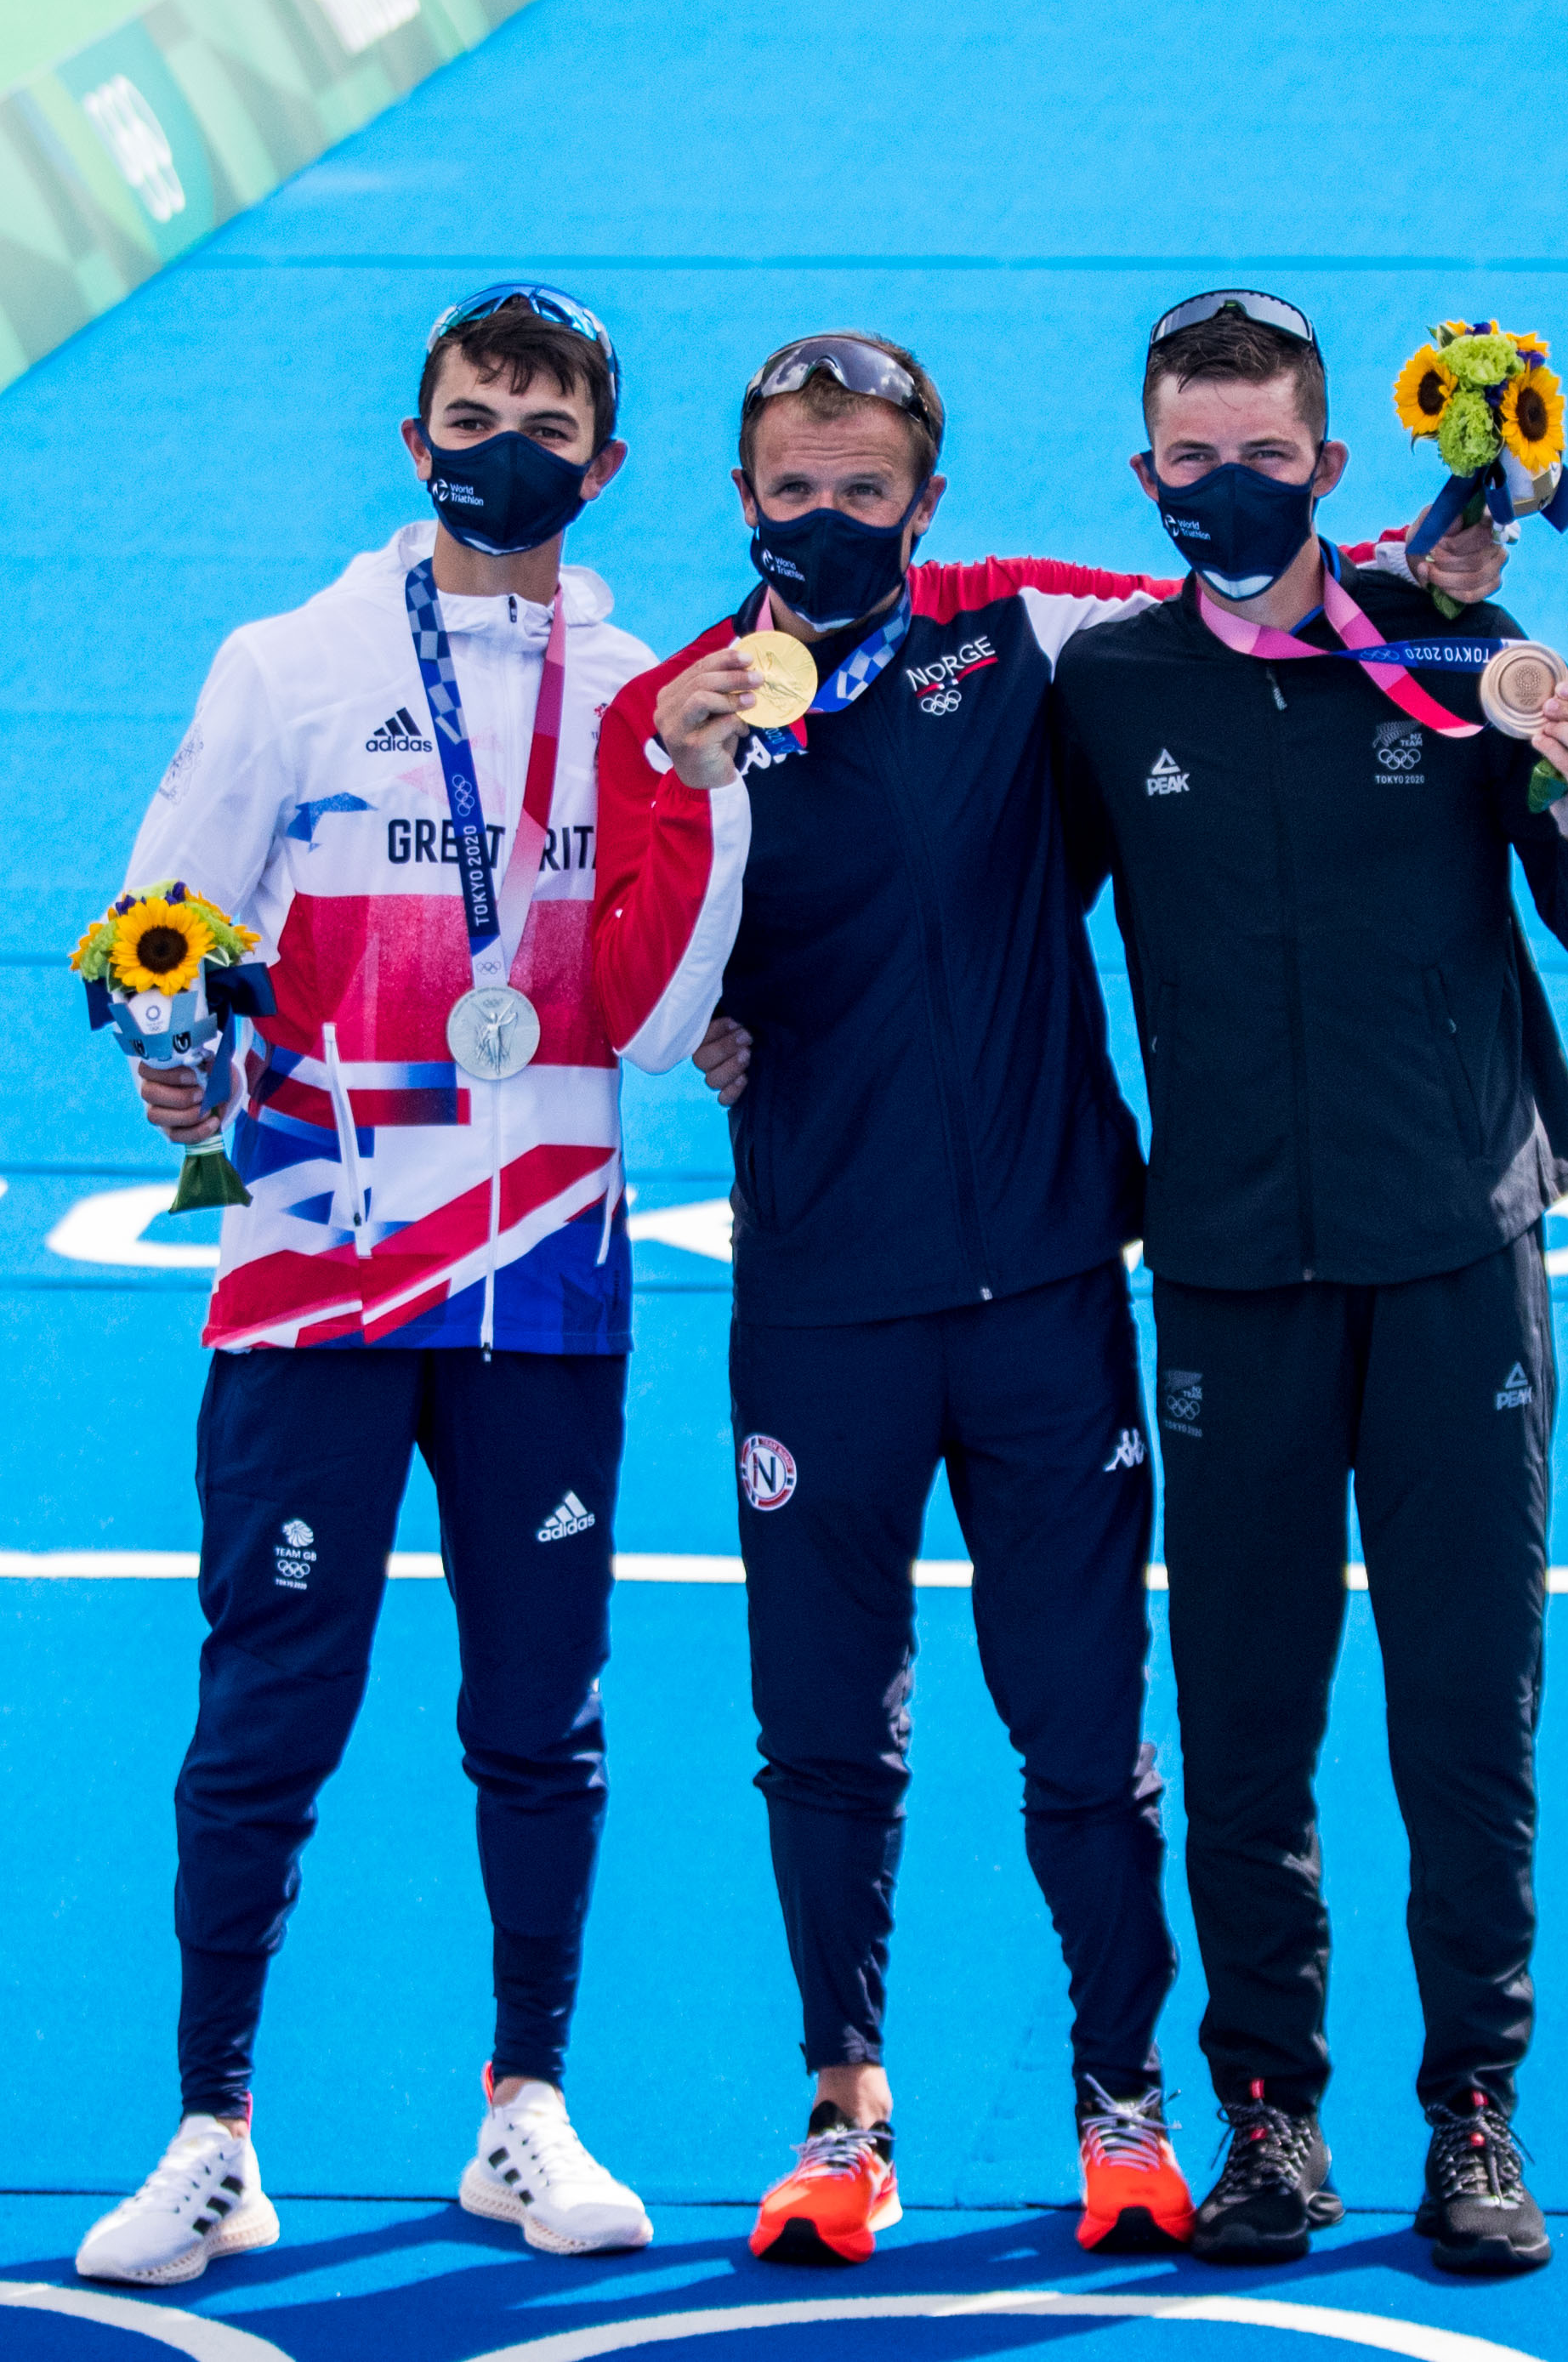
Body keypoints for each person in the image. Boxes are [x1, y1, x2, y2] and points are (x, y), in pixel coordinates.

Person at [588, 332, 1504, 2268]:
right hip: (821, 1299)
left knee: (1086, 1729)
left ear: (926, 503)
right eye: (787, 489)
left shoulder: (1023, 634)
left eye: (861, 489)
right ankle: (843, 2118)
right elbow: (651, 1021)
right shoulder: (672, 704)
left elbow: (1263, 621)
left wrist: (1449, 587)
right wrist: (689, 793)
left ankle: (1124, 2103)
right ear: (739, 498)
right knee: (823, 1731)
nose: (821, 518)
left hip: (1042, 1292)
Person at [71, 284, 732, 2285]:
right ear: (414, 434)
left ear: (602, 465)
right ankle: (212, 2131)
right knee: (270, 1704)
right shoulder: (290, 663)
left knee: (542, 1711)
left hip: (545, 1268)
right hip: (316, 1267)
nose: (502, 441)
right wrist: (172, 1058)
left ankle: (523, 2104)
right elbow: (148, 938)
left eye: (543, 417)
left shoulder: (646, 689)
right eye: (471, 408)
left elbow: (683, 952)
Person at [1047, 290, 1568, 2279]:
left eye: (1265, 453)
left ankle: (1473, 2108)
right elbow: (969, 915)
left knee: (1466, 1708)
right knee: (1243, 1713)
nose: (1228, 487)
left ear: (1330, 461)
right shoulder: (1114, 690)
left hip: (1456, 1258)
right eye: (1190, 459)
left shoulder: (1457, 661)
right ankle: (1271, 2117)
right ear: (1147, 478)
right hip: (1228, 1270)